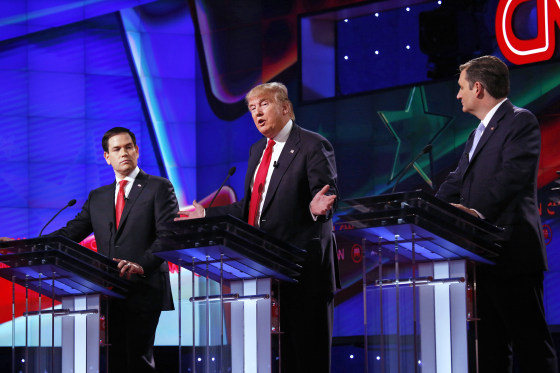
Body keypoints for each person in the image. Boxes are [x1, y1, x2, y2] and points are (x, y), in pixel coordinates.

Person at [176, 82, 339, 372]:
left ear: (286, 107)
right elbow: (252, 209)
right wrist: (206, 215)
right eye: (252, 108)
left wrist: (317, 210)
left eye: (263, 104)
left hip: (305, 270)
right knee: (284, 357)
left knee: (309, 357)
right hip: (266, 271)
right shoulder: (257, 151)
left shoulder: (313, 145)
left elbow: (325, 196)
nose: (257, 113)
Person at [436, 55, 557, 372]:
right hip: (480, 258)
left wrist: (473, 212)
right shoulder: (475, 134)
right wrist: (428, 211)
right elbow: (455, 180)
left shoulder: (520, 121)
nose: (458, 95)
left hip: (512, 254)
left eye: (461, 88)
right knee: (488, 349)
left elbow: (512, 178)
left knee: (530, 346)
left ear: (478, 88)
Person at [48, 127, 179, 372]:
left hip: (144, 287)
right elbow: (71, 232)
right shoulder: (98, 196)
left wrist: (141, 265)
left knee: (139, 359)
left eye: (128, 147)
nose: (124, 153)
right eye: (116, 149)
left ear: (137, 151)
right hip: (108, 289)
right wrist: (32, 245)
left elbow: (169, 236)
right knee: (115, 360)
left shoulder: (159, 187)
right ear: (107, 157)